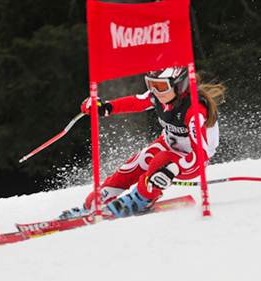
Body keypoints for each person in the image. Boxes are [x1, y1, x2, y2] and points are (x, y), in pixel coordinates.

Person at [60, 67, 225, 219]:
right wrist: (105, 107)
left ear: (179, 86)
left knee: (160, 161)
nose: (154, 91)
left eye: (160, 86)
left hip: (192, 159)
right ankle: (94, 204)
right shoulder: (159, 97)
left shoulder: (194, 110)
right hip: (169, 144)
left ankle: (140, 199)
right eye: (151, 84)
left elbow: (200, 155)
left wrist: (173, 169)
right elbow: (136, 102)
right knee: (139, 161)